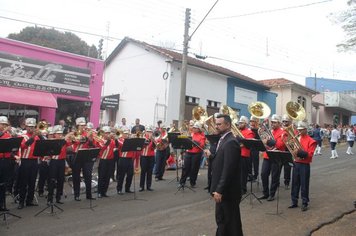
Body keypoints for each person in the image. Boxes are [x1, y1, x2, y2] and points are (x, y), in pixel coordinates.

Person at [210, 114, 243, 236]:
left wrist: (219, 190)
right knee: (224, 222)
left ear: (228, 125)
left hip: (228, 193)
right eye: (216, 124)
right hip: (224, 191)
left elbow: (229, 169)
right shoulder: (223, 139)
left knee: (228, 223)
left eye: (219, 124)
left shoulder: (231, 142)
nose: (216, 126)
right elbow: (221, 163)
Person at [288, 121, 317, 212]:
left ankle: (305, 202)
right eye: (298, 130)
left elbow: (309, 154)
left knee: (304, 184)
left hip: (304, 164)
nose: (298, 131)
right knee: (295, 183)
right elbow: (292, 149)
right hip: (296, 162)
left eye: (301, 130)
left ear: (305, 129)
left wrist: (298, 152)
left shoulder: (311, 141)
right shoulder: (296, 138)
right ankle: (294, 201)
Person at [258, 114, 286, 202]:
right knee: (263, 174)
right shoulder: (269, 131)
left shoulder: (283, 132)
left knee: (275, 176)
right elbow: (264, 143)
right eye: (272, 122)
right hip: (267, 155)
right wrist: (264, 141)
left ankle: (272, 194)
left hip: (276, 156)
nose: (272, 124)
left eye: (275, 122)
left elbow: (280, 144)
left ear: (279, 123)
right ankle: (265, 193)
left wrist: (268, 141)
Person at [18, 118, 44, 209]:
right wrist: (33, 137)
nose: (31, 129)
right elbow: (23, 146)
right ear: (26, 126)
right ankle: (21, 201)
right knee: (23, 182)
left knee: (32, 182)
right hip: (25, 161)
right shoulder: (22, 136)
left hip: (34, 161)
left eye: (33, 127)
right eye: (29, 127)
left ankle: (29, 200)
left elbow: (44, 144)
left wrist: (40, 136)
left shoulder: (37, 137)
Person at [179, 122, 206, 188]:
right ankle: (182, 182)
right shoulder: (191, 134)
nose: (193, 129)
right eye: (193, 128)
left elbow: (202, 145)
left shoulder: (202, 136)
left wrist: (197, 143)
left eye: (195, 128)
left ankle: (192, 182)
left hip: (196, 154)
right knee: (185, 168)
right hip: (188, 152)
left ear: (198, 129)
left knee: (194, 169)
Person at [97, 126, 116, 198]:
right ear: (103, 134)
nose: (108, 134)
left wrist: (114, 139)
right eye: (106, 133)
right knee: (101, 176)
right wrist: (108, 140)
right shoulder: (100, 140)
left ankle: (104, 192)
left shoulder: (112, 141)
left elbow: (116, 146)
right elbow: (103, 148)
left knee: (108, 177)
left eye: (108, 133)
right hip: (103, 160)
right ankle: (99, 192)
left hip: (110, 160)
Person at [237, 116, 255, 195]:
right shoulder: (238, 131)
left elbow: (245, 144)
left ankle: (243, 189)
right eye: (239, 122)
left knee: (243, 174)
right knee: (237, 173)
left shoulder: (249, 132)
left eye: (241, 123)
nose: (239, 124)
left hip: (244, 155)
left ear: (245, 123)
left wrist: (238, 143)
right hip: (237, 154)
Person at [0, 116, 13, 211]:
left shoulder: (8, 134)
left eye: (5, 125)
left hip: (7, 160)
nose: (4, 126)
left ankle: (3, 204)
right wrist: (4, 131)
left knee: (4, 183)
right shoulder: (3, 133)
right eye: (2, 124)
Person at [139, 127, 155, 191]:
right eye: (148, 131)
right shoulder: (142, 138)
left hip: (151, 156)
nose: (149, 133)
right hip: (144, 156)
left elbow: (155, 147)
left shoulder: (153, 139)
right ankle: (141, 186)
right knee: (143, 171)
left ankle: (149, 186)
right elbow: (142, 147)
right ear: (145, 132)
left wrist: (153, 140)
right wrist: (148, 140)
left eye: (150, 132)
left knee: (150, 171)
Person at [281, 114, 293, 189]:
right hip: (281, 150)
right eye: (284, 121)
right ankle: (276, 182)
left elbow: (294, 140)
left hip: (288, 151)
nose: (285, 123)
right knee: (278, 167)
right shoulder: (280, 130)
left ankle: (286, 182)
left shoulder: (292, 130)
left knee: (287, 168)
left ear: (289, 122)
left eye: (286, 121)